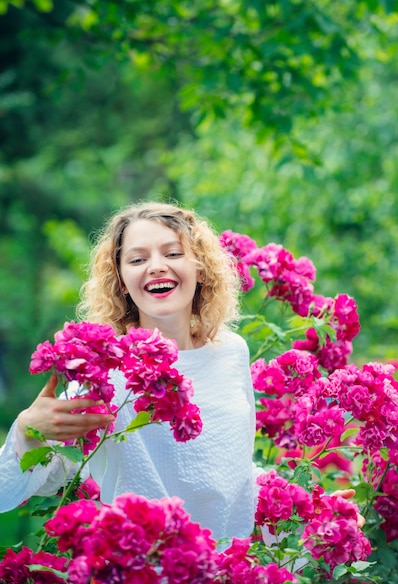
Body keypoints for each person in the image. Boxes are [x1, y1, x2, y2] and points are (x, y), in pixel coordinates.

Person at [0, 201, 261, 543]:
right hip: (143, 582)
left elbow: (237, 476)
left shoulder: (231, 352)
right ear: (122, 281)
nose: (156, 267)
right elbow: (6, 493)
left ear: (200, 269)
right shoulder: (104, 372)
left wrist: (308, 513)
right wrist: (27, 431)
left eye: (172, 253)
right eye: (137, 260)